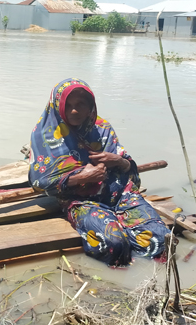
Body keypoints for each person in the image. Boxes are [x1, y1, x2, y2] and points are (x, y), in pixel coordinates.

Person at [28, 78, 171, 267]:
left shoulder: (102, 128)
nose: (74, 111)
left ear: (90, 106)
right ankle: (123, 275)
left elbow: (129, 168)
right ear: (58, 106)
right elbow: (39, 181)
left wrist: (119, 161)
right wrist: (82, 177)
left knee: (162, 238)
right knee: (114, 243)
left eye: (80, 104)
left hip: (119, 193)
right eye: (68, 105)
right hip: (81, 200)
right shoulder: (45, 136)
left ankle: (149, 266)